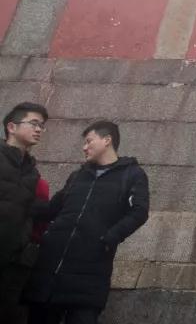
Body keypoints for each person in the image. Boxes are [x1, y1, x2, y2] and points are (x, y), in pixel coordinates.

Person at [26, 120, 149, 324]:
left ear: (107, 140)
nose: (84, 147)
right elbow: (52, 209)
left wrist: (109, 238)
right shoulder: (78, 176)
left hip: (90, 271)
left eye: (89, 141)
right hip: (50, 270)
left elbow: (139, 212)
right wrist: (17, 200)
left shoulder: (132, 174)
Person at [1, 103, 48, 322]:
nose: (39, 129)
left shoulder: (32, 173)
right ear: (12, 127)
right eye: (34, 123)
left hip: (14, 265)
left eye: (41, 126)